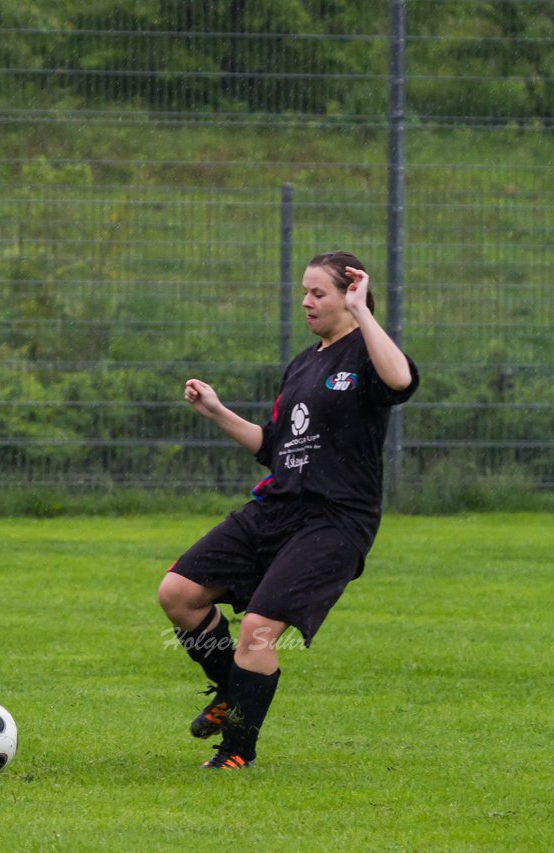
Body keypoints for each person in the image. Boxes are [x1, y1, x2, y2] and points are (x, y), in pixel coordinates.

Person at [158, 250, 418, 770]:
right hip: (278, 507)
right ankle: (232, 690)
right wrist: (216, 411)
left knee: (256, 631)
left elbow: (400, 382)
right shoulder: (301, 364)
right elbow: (274, 446)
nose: (306, 301)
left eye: (318, 293)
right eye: (304, 292)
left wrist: (365, 314)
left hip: (335, 520)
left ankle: (236, 750)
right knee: (179, 594)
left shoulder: (368, 352)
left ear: (350, 295)